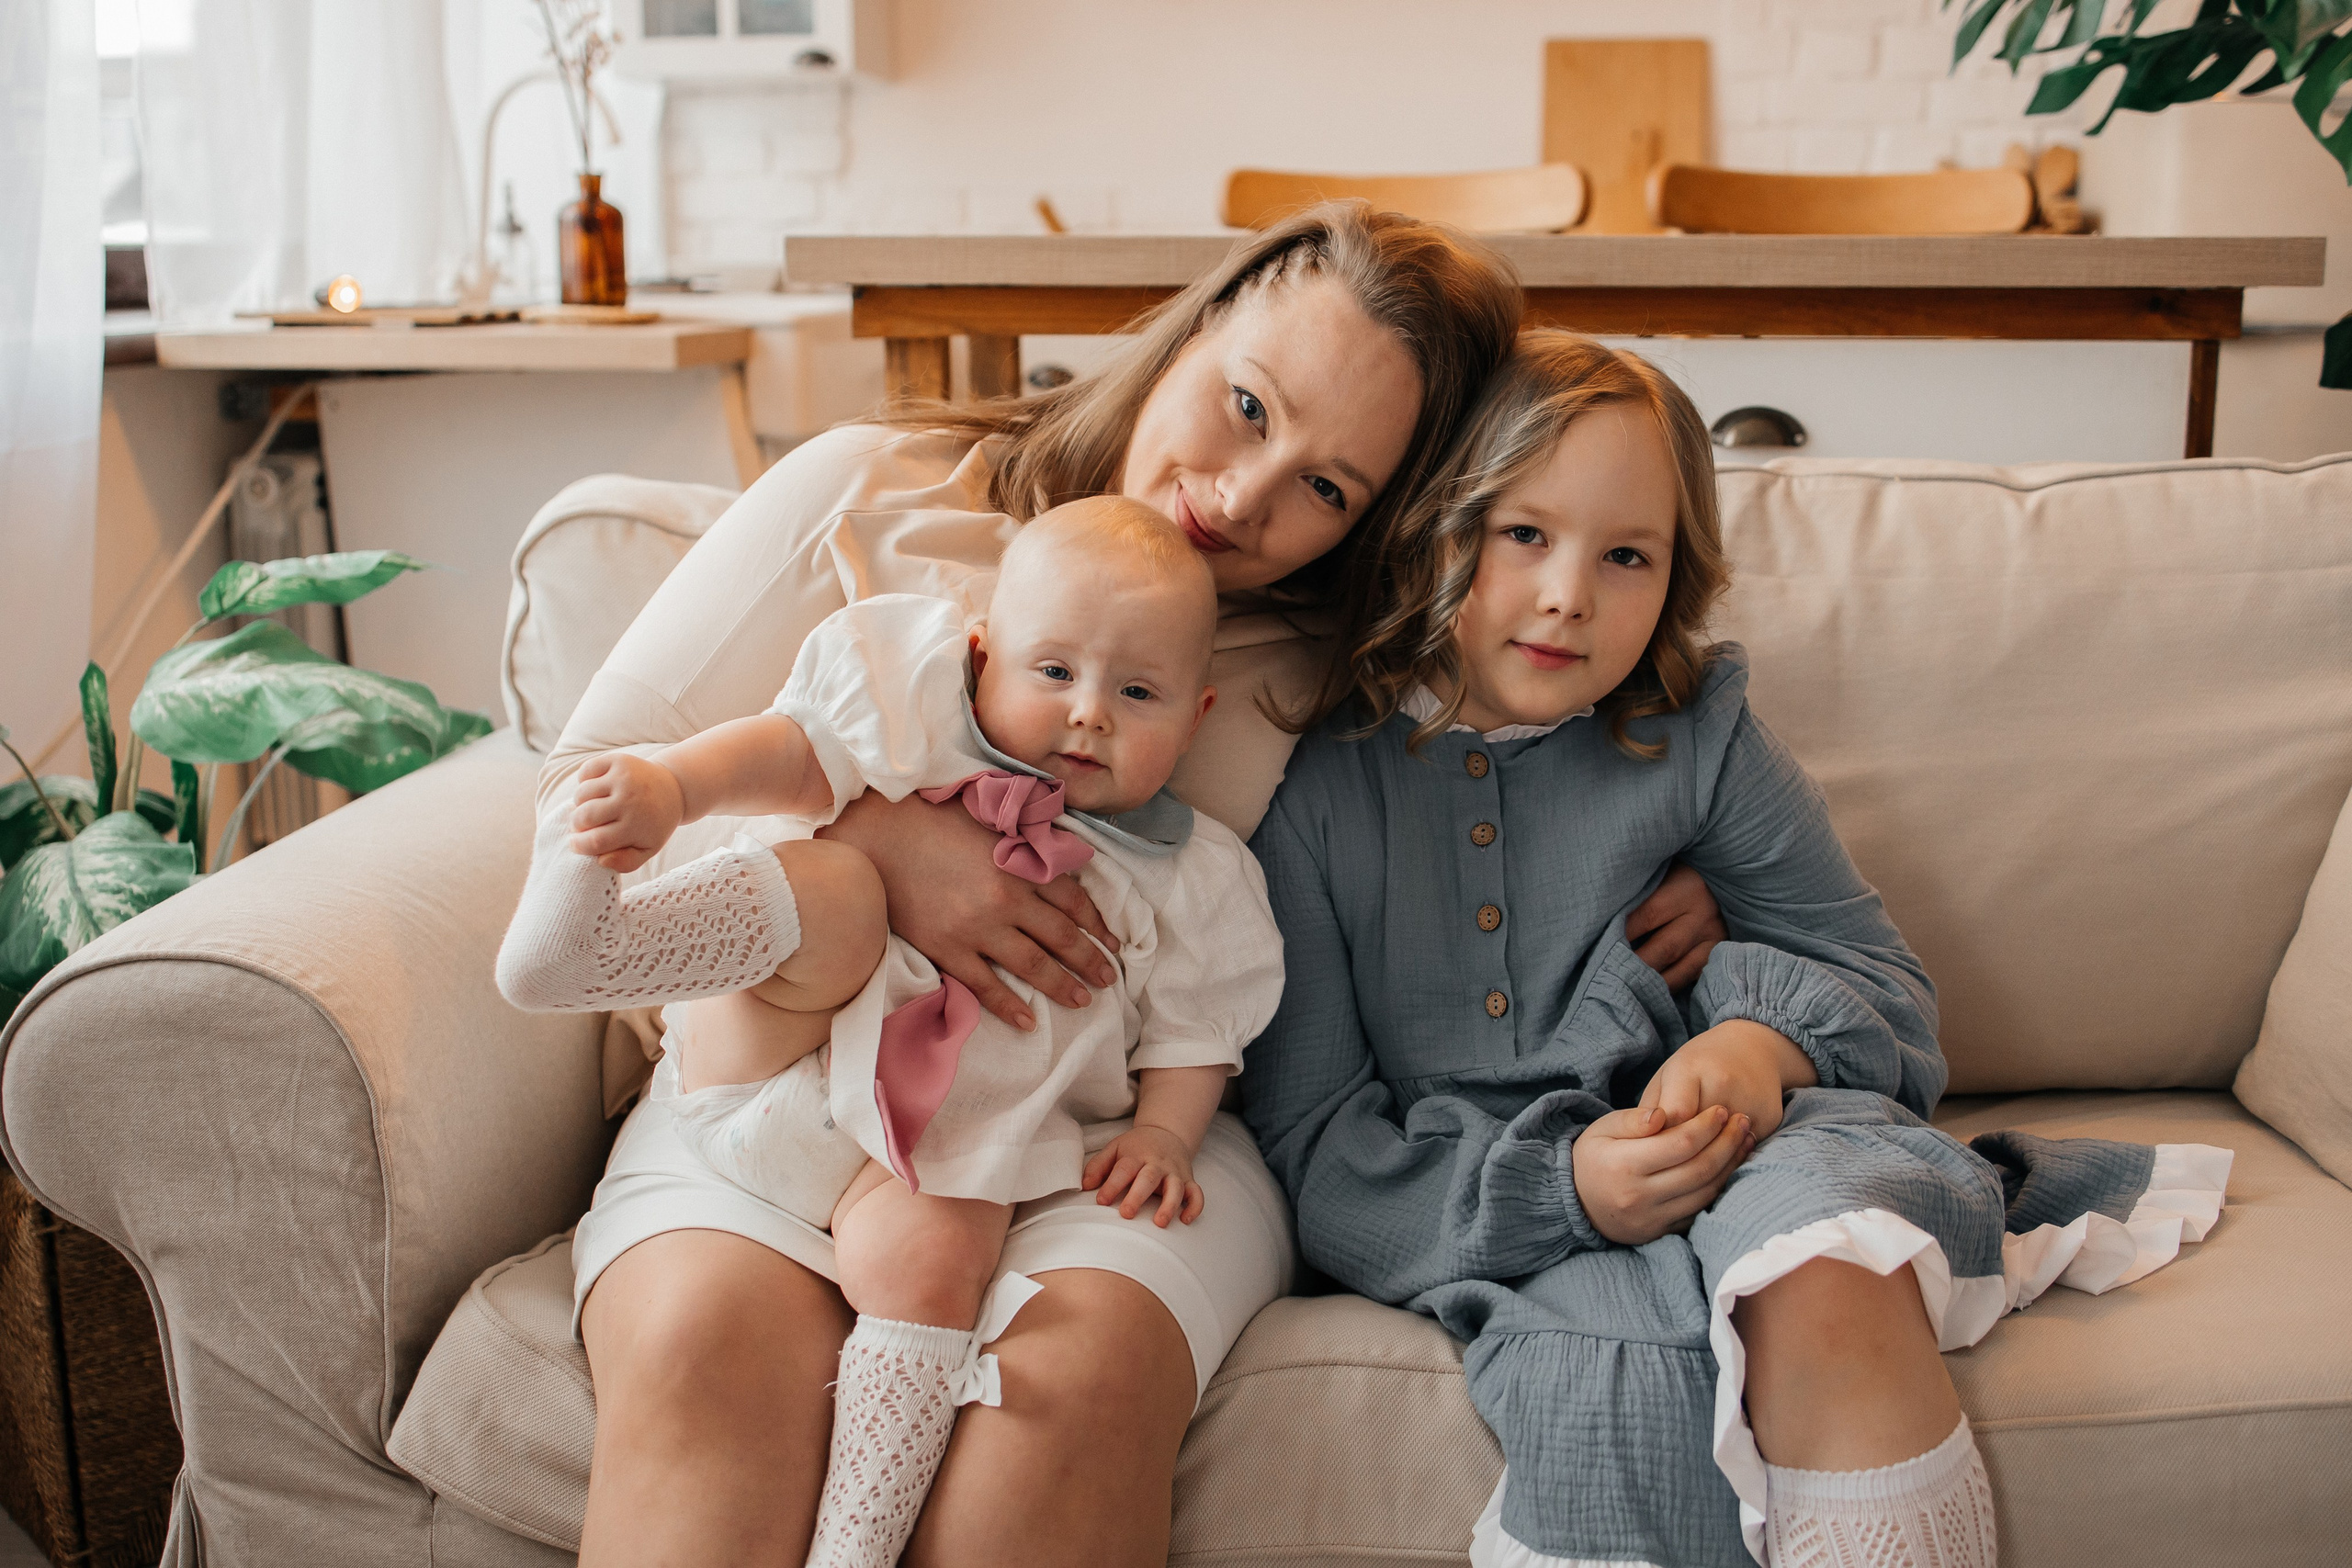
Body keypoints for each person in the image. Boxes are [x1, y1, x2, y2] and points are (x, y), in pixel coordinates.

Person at [533, 204, 1723, 1567]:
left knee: (1058, 1393)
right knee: (707, 1349)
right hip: (783, 1079)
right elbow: (580, 777)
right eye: (1245, 405)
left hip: (1124, 1129)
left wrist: (1667, 874)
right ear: (1199, 321)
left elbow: (1555, 751)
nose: (1242, 496)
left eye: (1327, 487)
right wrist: (877, 847)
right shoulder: (876, 487)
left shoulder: (1354, 659)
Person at [1242, 332, 2233, 1568]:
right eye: (1522, 534)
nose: (1568, 594)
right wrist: (1566, 1187)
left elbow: (1891, 997)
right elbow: (1315, 1138)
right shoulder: (1321, 796)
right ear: (1438, 527)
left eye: (1626, 555)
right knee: (1615, 1380)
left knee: (1825, 1254)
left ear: (1677, 575)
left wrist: (1759, 1045)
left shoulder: (1695, 738)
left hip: (1757, 1139)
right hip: (1507, 1197)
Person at [497, 497, 1283, 1567]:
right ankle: (587, 958)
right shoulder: (909, 719)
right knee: (833, 886)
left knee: (941, 1257)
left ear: (1196, 718)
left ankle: (856, 1542)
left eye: (1135, 693)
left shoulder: (1189, 878)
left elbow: (1197, 1034)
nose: (1088, 714)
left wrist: (1164, 1135)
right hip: (774, 1082)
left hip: (933, 1157)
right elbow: (792, 752)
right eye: (1053, 673)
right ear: (980, 654)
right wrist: (672, 784)